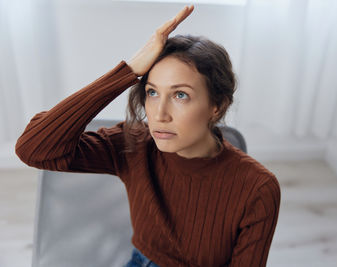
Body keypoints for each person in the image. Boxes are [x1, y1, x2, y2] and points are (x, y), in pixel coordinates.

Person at [15, 4, 281, 267]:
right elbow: (33, 148)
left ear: (217, 106)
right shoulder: (136, 145)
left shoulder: (257, 188)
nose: (159, 114)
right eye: (152, 92)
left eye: (180, 95)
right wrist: (127, 71)